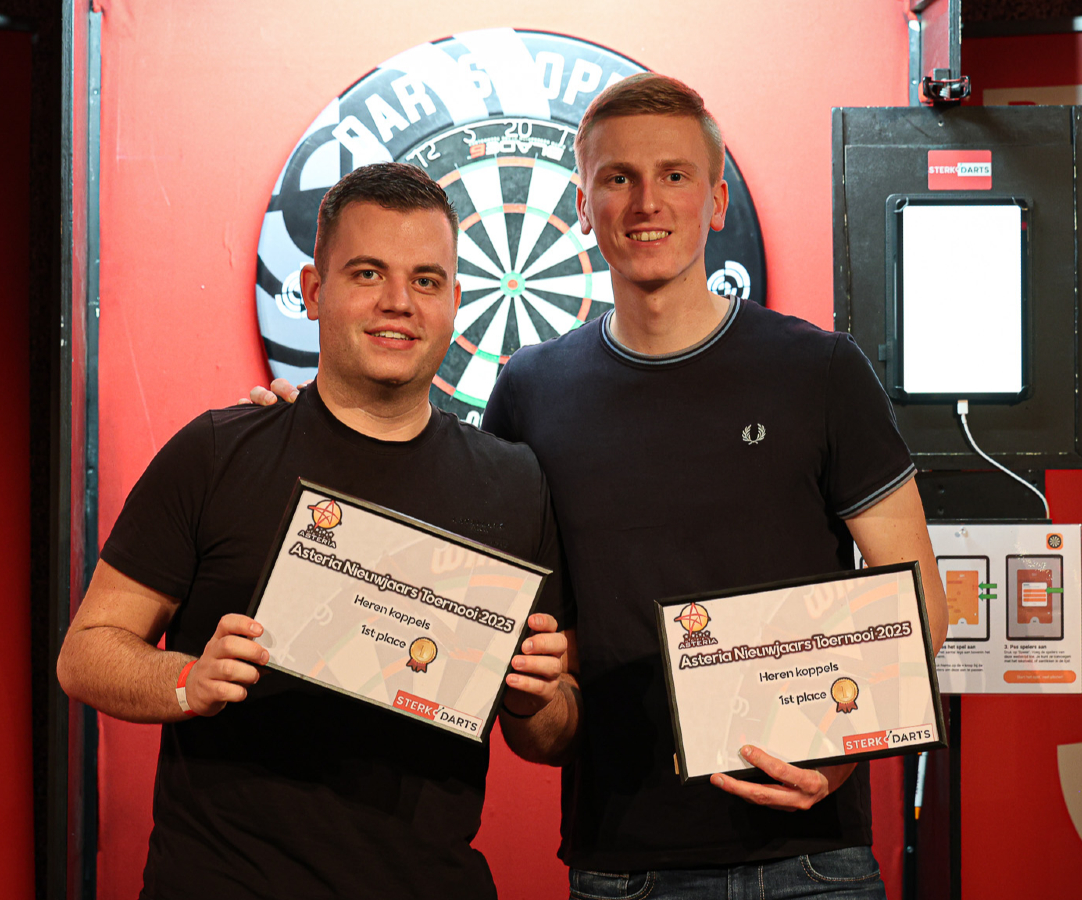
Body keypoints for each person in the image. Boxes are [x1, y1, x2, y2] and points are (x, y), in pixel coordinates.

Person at [253, 75, 947, 899]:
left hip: (809, 861)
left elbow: (920, 597)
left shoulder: (820, 370)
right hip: (622, 865)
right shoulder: (531, 388)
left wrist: (850, 747)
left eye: (675, 175)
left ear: (717, 201)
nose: (647, 202)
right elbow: (444, 522)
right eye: (619, 177)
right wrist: (315, 429)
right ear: (583, 205)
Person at [57, 162, 578, 900]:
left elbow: (550, 733)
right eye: (367, 273)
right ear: (312, 290)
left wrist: (537, 699)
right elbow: (85, 654)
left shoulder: (514, 483)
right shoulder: (217, 453)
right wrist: (187, 680)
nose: (399, 302)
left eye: (426, 280)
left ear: (455, 302)